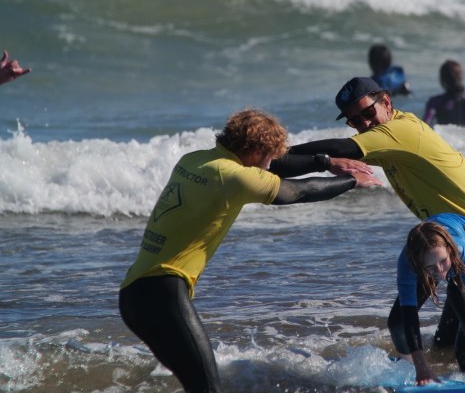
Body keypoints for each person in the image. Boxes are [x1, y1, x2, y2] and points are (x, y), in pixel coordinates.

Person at [119, 108, 381, 393]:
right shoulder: (233, 178)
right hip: (163, 295)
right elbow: (299, 191)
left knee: (196, 386)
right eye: (269, 157)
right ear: (255, 151)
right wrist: (353, 181)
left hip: (134, 295)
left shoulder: (195, 160)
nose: (270, 165)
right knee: (208, 388)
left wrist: (326, 162)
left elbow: (276, 169)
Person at [282, 77, 465, 368]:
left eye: (367, 113)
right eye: (354, 121)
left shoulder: (399, 130)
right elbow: (331, 157)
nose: (364, 124)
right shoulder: (390, 134)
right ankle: (417, 377)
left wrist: (278, 155)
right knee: (438, 343)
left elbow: (341, 149)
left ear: (386, 101)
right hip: (457, 241)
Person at [389, 214, 465, 385]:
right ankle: (411, 367)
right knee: (397, 320)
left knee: (457, 289)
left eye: (443, 262)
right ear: (418, 264)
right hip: (429, 247)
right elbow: (409, 316)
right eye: (430, 267)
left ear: (449, 251)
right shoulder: (407, 262)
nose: (439, 271)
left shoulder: (459, 250)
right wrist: (421, 367)